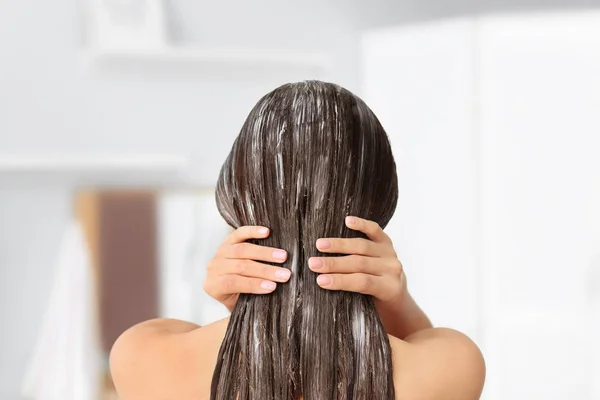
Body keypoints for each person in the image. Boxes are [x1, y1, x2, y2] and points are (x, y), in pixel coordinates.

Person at [109, 81, 485, 400]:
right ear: (381, 201)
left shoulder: (143, 354)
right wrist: (396, 300)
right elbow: (422, 348)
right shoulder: (451, 365)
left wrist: (247, 305)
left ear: (236, 194)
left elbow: (249, 364)